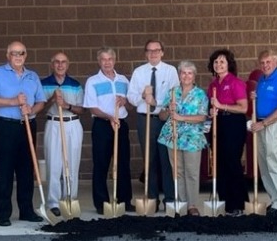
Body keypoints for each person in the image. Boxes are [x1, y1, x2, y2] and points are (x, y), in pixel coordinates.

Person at [0, 41, 46, 226]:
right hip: (7, 126)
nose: (18, 57)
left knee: (27, 169)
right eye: (14, 53)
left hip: (27, 124)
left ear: (26, 55)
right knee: (6, 170)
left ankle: (26, 210)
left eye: (21, 53)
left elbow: (41, 101)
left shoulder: (32, 76)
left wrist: (31, 110)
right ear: (8, 55)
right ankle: (4, 214)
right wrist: (14, 102)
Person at [127, 39, 179, 212]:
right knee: (149, 159)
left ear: (162, 52)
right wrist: (142, 96)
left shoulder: (170, 71)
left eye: (156, 50)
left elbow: (175, 94)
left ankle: (170, 199)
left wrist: (156, 103)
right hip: (145, 119)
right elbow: (131, 97)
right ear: (145, 53)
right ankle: (152, 199)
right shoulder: (139, 72)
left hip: (164, 119)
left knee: (167, 160)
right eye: (149, 51)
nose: (153, 53)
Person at [83, 46, 134, 214]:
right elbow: (92, 108)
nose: (107, 63)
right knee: (101, 164)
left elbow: (131, 101)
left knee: (123, 163)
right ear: (99, 61)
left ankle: (124, 200)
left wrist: (124, 100)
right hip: (103, 125)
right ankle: (101, 203)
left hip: (121, 124)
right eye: (103, 59)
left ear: (114, 60)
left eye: (109, 59)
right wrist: (109, 117)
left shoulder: (124, 80)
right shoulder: (93, 81)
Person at [157, 61, 209, 216]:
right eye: (183, 73)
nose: (186, 76)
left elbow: (202, 117)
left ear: (194, 76)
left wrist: (181, 117)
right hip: (173, 137)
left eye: (189, 73)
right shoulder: (173, 92)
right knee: (177, 172)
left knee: (191, 172)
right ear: (179, 75)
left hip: (192, 138)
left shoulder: (200, 94)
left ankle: (192, 205)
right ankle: (181, 202)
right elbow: (162, 116)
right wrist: (168, 110)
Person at [249, 50, 277, 217]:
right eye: (262, 63)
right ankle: (275, 201)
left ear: (275, 61)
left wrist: (264, 123)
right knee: (265, 166)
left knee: (275, 163)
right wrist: (255, 96)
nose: (265, 65)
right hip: (261, 125)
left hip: (274, 125)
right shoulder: (262, 80)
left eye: (268, 62)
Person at [41, 52, 84, 217]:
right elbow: (39, 109)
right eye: (57, 62)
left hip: (72, 123)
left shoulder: (75, 84)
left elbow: (82, 109)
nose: (60, 65)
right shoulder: (44, 83)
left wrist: (66, 105)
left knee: (72, 163)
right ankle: (53, 202)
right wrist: (52, 99)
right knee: (54, 164)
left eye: (63, 62)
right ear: (52, 64)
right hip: (53, 123)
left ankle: (70, 199)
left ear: (68, 64)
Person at [207, 49, 249, 216]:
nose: (218, 65)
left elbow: (243, 107)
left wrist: (221, 106)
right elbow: (213, 107)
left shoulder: (235, 83)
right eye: (216, 62)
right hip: (218, 123)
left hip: (233, 124)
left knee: (232, 162)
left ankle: (238, 203)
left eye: (222, 62)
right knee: (219, 163)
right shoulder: (213, 85)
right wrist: (213, 111)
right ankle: (224, 201)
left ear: (229, 64)